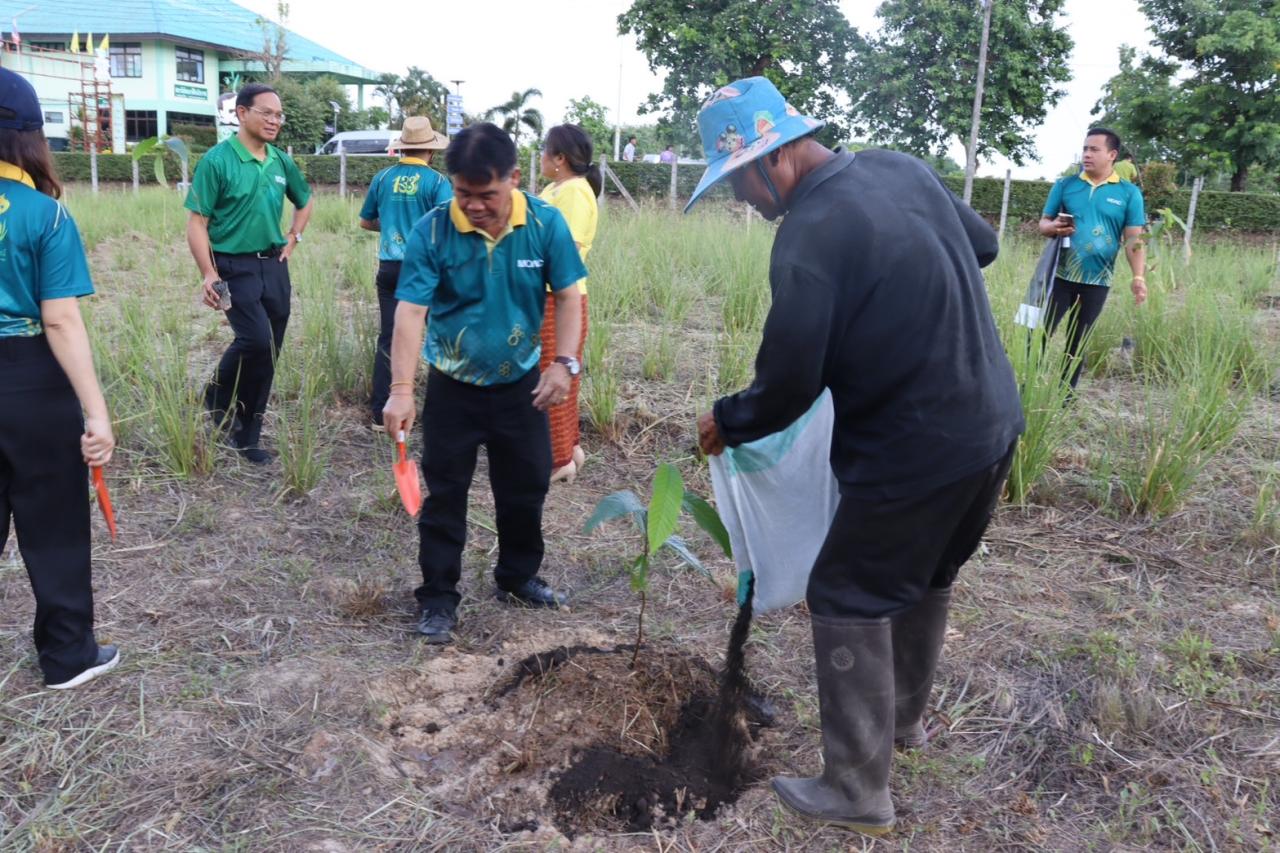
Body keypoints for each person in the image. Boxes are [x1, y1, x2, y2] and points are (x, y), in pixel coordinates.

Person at [688, 77, 1024, 835]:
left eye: (737, 184)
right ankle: (901, 720)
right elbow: (984, 244)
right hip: (991, 421)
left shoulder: (808, 235)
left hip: (915, 445)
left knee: (845, 589)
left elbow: (789, 383)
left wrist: (728, 419)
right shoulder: (897, 167)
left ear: (771, 160)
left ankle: (855, 788)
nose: (742, 200)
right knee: (927, 569)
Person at [382, 123, 586, 645]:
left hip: (522, 386)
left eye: (486, 194)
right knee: (445, 494)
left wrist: (564, 363)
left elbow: (568, 296)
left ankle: (517, 576)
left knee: (527, 486)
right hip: (453, 388)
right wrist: (401, 389)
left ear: (514, 178)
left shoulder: (545, 223)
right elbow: (410, 311)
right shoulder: (432, 230)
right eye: (463, 193)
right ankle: (438, 597)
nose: (473, 205)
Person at [0, 68, 120, 689]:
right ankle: (68, 655)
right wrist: (96, 413)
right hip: (30, 382)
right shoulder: (44, 214)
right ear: (30, 137)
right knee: (53, 523)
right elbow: (60, 319)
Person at [185, 83, 314, 463]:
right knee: (255, 340)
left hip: (274, 264)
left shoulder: (280, 161)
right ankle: (216, 393)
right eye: (267, 113)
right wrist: (208, 273)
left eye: (279, 115)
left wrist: (294, 236)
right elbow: (197, 223)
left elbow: (305, 200)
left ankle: (248, 435)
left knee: (270, 351)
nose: (275, 121)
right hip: (231, 266)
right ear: (241, 113)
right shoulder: (217, 161)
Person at [359, 116, 452, 426]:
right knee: (439, 338)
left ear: (402, 148)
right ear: (431, 151)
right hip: (426, 269)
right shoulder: (437, 182)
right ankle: (441, 413)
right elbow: (448, 226)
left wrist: (390, 228)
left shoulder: (382, 178)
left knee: (390, 337)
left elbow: (366, 221)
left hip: (389, 268)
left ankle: (379, 413)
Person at [1038, 127, 1146, 390]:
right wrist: (1053, 228)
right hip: (1059, 276)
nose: (1087, 154)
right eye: (1085, 149)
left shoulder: (1128, 193)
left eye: (1094, 149)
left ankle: (1065, 398)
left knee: (1078, 343)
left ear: (1112, 155)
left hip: (1098, 281)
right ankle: (1023, 388)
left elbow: (1134, 239)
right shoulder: (1065, 185)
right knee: (1037, 334)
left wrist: (1138, 277)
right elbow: (1043, 223)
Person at [538, 124, 600, 483]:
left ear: (559, 158)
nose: (541, 157)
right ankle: (571, 447)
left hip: (561, 298)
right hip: (547, 295)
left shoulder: (575, 192)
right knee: (561, 374)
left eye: (544, 150)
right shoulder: (554, 189)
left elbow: (568, 251)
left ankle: (559, 459)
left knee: (555, 376)